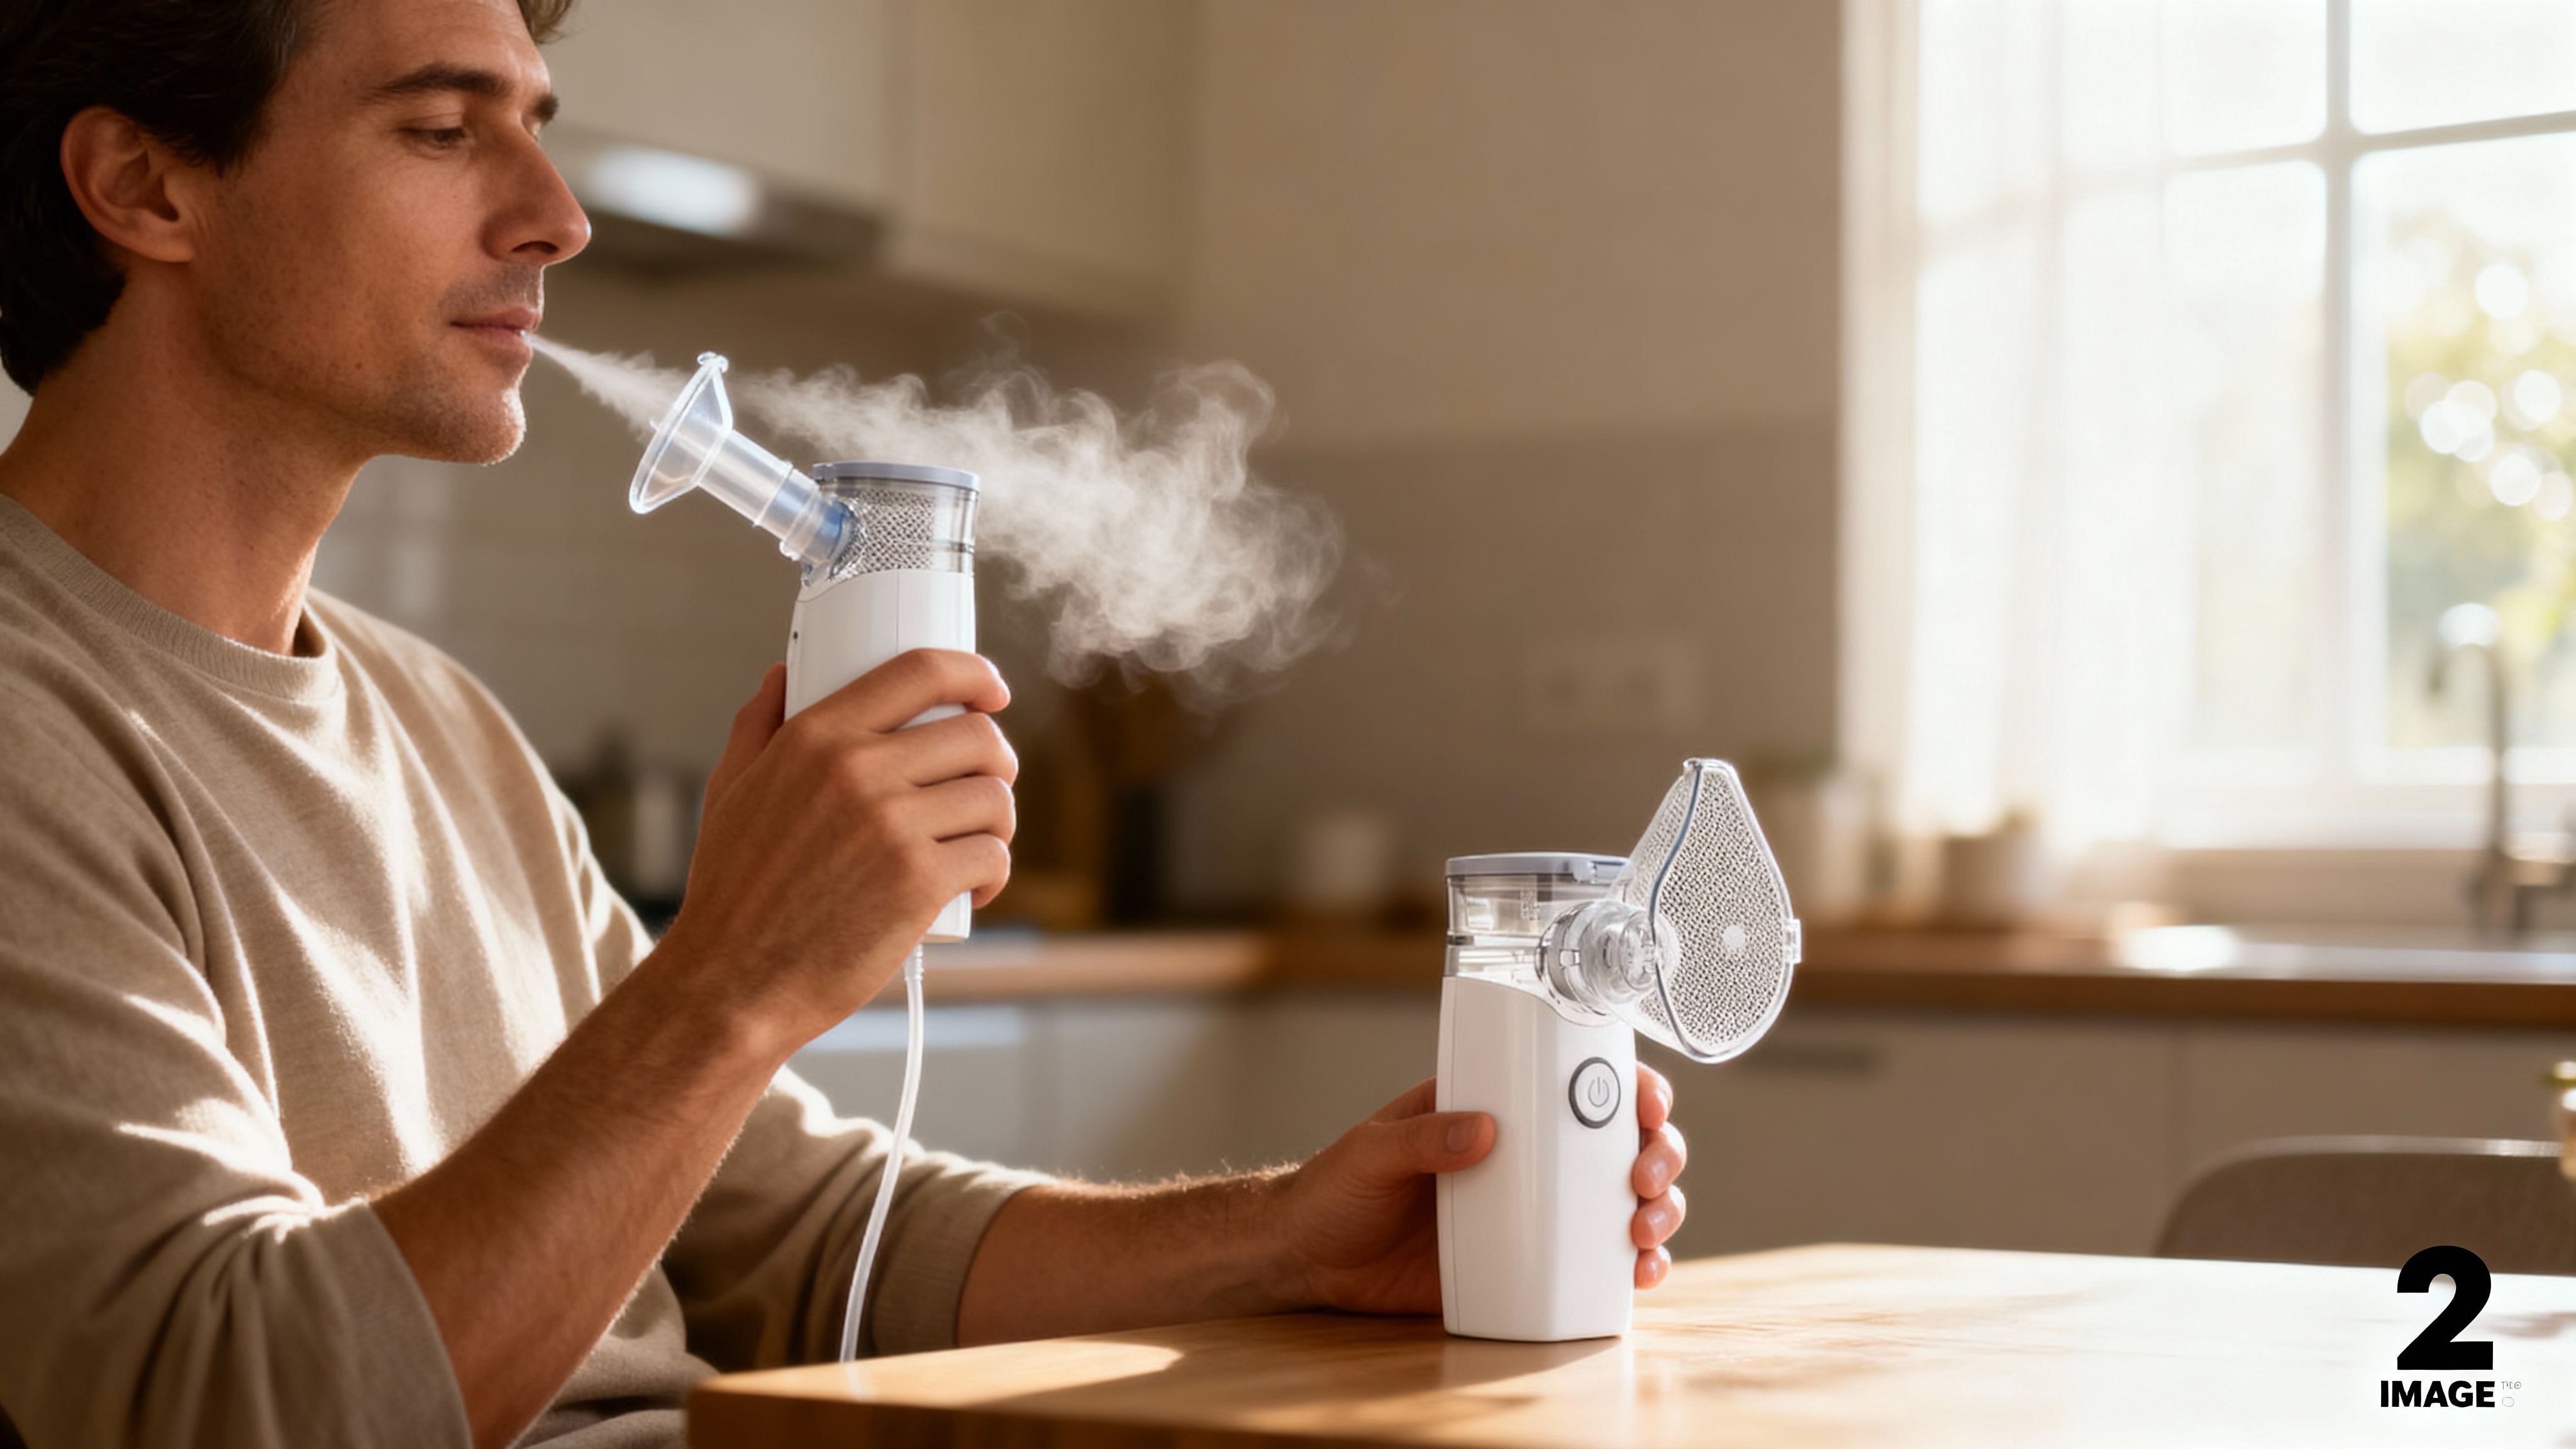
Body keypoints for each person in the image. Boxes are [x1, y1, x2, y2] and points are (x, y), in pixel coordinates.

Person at [0, 0, 1692, 1445]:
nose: (554, 217)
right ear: (146, 187)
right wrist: (730, 979)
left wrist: (1287, 1241)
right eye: (445, 131)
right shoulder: (29, 724)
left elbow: (795, 1235)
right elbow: (222, 1398)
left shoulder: (435, 721)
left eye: (538, 127)